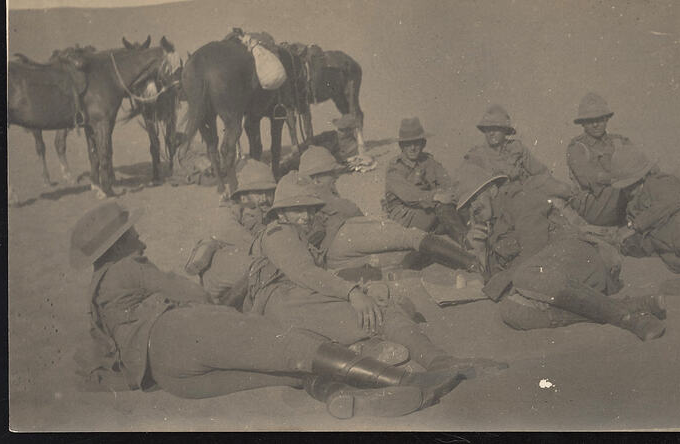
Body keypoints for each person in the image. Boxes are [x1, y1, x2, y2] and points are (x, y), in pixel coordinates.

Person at [71, 201, 465, 419]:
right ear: (119, 243)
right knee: (286, 347)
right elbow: (192, 293)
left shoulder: (97, 288)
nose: (138, 235)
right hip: (180, 332)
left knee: (275, 376)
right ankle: (401, 382)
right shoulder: (130, 267)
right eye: (130, 232)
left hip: (168, 376)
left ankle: (338, 393)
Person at [229, 172, 507, 376]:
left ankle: (422, 359)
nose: (306, 215)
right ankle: (439, 363)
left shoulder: (294, 234)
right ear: (282, 212)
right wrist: (352, 293)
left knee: (374, 308)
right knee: (378, 313)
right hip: (286, 303)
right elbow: (304, 273)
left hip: (294, 302)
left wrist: (358, 288)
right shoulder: (278, 233)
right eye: (298, 208)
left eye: (309, 208)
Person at [453, 165, 667, 341]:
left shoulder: (521, 200)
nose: (474, 207)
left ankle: (628, 318)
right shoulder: (493, 224)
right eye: (468, 204)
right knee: (511, 312)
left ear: (491, 190)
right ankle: (626, 306)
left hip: (580, 255)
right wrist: (481, 252)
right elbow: (499, 288)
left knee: (524, 276)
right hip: (551, 282)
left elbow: (531, 253)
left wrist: (503, 283)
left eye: (476, 197)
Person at [299, 146, 479, 272]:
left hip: (330, 256)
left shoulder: (301, 196)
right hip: (342, 235)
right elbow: (352, 211)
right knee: (410, 238)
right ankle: (473, 263)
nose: (335, 178)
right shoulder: (320, 194)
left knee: (393, 258)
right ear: (316, 179)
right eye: (331, 174)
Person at [609, 146, 680, 296]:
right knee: (673, 259)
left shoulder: (659, 181)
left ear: (643, 176)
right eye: (625, 187)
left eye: (632, 184)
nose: (628, 190)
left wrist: (635, 225)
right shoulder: (631, 204)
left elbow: (669, 201)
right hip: (667, 241)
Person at [184, 159, 276, 303]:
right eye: (258, 193)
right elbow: (226, 230)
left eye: (268, 192)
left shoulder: (269, 213)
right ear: (244, 196)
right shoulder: (235, 211)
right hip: (223, 288)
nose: (264, 198)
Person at [383, 117, 469, 245]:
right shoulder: (395, 169)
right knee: (442, 206)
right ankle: (466, 243)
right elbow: (410, 197)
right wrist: (437, 196)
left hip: (427, 211)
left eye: (416, 143)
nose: (412, 148)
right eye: (408, 144)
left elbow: (446, 181)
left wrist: (448, 194)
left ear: (423, 144)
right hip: (405, 216)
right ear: (401, 146)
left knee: (459, 204)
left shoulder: (428, 161)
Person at [463, 105, 573, 201]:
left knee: (563, 189)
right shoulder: (477, 155)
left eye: (496, 129)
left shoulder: (516, 148)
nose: (491, 133)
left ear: (505, 131)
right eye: (488, 129)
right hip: (502, 198)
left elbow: (540, 171)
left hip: (524, 189)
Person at [566, 93, 632, 226]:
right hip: (595, 207)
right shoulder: (577, 148)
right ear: (583, 124)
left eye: (600, 119)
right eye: (590, 121)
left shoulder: (619, 141)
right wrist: (625, 174)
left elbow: (642, 165)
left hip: (621, 200)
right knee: (626, 186)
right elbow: (592, 179)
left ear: (606, 119)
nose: (595, 124)